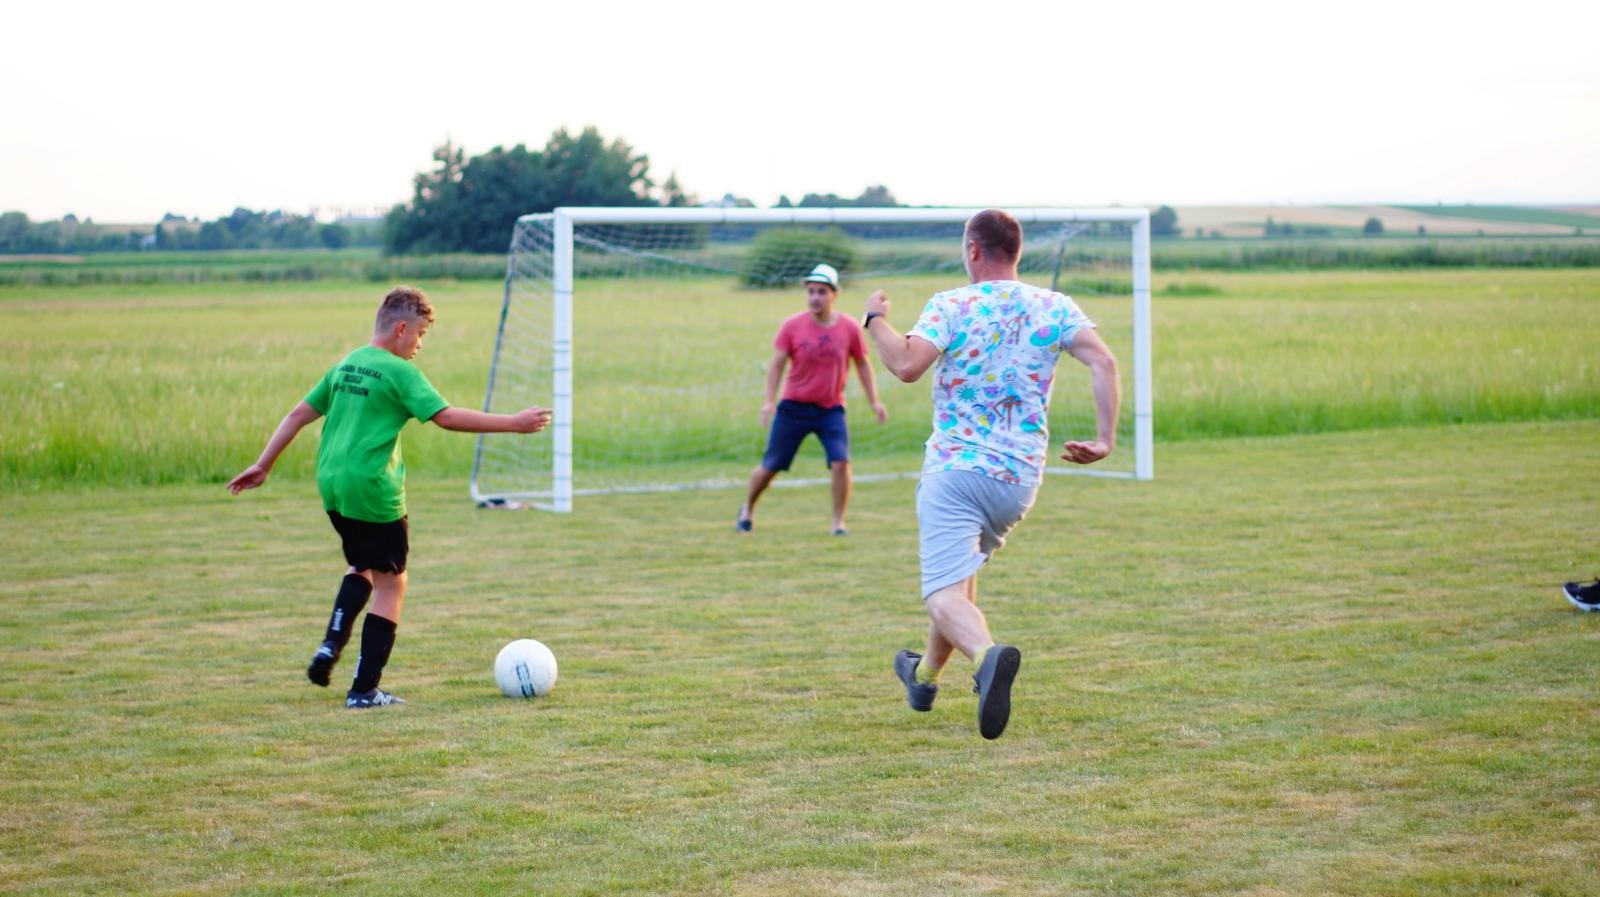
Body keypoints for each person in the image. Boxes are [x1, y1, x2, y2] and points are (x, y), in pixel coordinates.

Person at [228, 285, 552, 709]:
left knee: (362, 564)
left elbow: (297, 415)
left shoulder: (349, 363)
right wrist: (513, 423)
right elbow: (447, 417)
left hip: (333, 485)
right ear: (401, 328)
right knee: (392, 582)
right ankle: (364, 690)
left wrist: (264, 464)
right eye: (420, 335)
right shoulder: (400, 373)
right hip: (373, 487)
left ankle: (329, 647)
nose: (419, 345)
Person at [862, 209, 1121, 739]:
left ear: (973, 250)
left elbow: (907, 366)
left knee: (941, 593)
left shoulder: (951, 304)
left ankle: (986, 657)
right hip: (1019, 480)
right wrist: (1104, 440)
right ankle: (924, 678)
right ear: (1017, 252)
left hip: (956, 470)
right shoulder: (1055, 305)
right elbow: (1104, 363)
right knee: (960, 581)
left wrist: (874, 321)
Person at [737, 263, 888, 535]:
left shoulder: (849, 328)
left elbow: (863, 364)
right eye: (811, 291)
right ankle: (747, 508)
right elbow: (776, 366)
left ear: (834, 294)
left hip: (830, 410)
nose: (815, 297)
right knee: (771, 465)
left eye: (821, 291)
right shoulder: (792, 326)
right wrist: (769, 402)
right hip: (793, 408)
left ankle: (838, 522)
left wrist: (874, 401)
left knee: (841, 462)